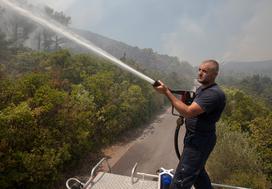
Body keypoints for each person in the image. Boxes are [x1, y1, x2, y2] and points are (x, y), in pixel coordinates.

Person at [154, 59, 226, 189]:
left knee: (181, 180)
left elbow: (188, 111)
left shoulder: (213, 94)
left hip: (200, 142)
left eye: (205, 71)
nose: (200, 73)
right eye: (199, 69)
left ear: (215, 74)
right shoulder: (202, 89)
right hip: (195, 138)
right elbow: (192, 106)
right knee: (198, 174)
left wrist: (166, 92)